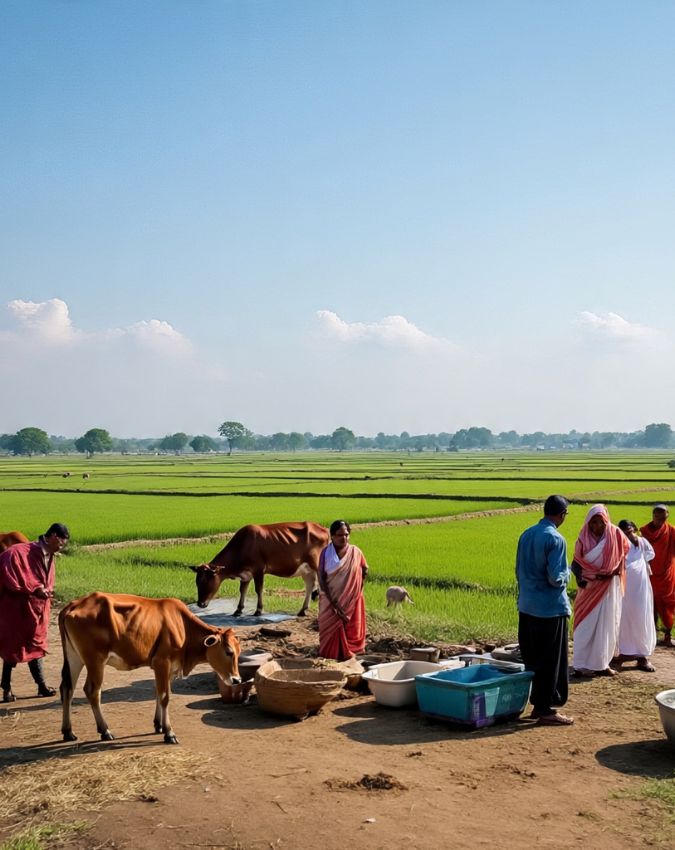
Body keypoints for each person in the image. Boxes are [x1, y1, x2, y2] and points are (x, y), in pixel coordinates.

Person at [515, 494, 574, 726]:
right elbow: (555, 578)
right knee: (552, 660)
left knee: (533, 658)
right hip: (549, 610)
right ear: (562, 515)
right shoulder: (556, 539)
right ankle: (545, 708)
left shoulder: (526, 534)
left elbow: (518, 570)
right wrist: (570, 572)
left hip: (527, 606)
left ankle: (537, 704)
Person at [0, 522, 70, 702]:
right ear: (53, 537)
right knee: (13, 646)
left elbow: (45, 580)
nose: (61, 548)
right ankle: (6, 687)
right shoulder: (19, 552)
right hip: (17, 608)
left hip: (39, 608)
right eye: (61, 543)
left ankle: (41, 685)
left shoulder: (50, 554)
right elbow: (9, 574)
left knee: (37, 644)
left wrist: (45, 591)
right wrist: (34, 588)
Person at [571, 504, 629, 677]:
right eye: (593, 523)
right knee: (584, 626)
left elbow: (622, 555)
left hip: (609, 587)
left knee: (607, 625)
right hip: (588, 588)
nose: (597, 527)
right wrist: (580, 578)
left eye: (600, 522)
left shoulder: (616, 534)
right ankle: (580, 665)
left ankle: (602, 664)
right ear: (588, 523)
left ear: (606, 521)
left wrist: (610, 572)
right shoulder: (583, 538)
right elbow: (575, 563)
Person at [318, 520, 368, 661]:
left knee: (351, 628)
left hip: (351, 600)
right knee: (328, 627)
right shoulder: (326, 553)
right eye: (340, 535)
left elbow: (365, 569)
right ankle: (330, 656)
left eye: (346, 535)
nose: (344, 538)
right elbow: (321, 576)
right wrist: (333, 602)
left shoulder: (355, 552)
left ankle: (350, 655)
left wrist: (357, 589)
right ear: (332, 536)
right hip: (329, 601)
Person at [615, 520, 656, 671]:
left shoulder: (643, 542)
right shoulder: (619, 545)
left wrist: (641, 564)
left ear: (634, 529)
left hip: (641, 588)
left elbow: (650, 555)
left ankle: (642, 657)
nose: (627, 534)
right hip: (625, 589)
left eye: (629, 530)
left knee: (641, 618)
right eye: (624, 531)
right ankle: (622, 654)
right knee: (624, 618)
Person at [640, 504, 675, 647]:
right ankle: (651, 635)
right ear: (653, 515)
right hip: (649, 574)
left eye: (663, 517)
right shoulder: (644, 532)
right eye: (657, 516)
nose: (659, 519)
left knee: (668, 604)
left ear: (667, 516)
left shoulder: (671, 531)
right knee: (649, 604)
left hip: (667, 575)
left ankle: (667, 635)